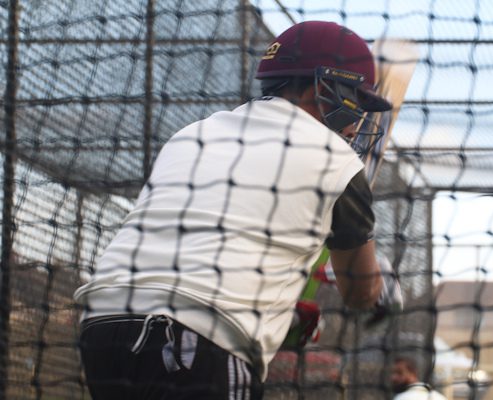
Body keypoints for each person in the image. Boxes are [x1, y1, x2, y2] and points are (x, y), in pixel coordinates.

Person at [74, 20, 402, 400]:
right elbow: (361, 292)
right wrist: (382, 291)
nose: (358, 121)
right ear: (324, 88)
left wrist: (283, 317)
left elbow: (208, 241)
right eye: (357, 102)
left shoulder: (194, 134)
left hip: (103, 332)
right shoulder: (337, 160)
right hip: (194, 343)